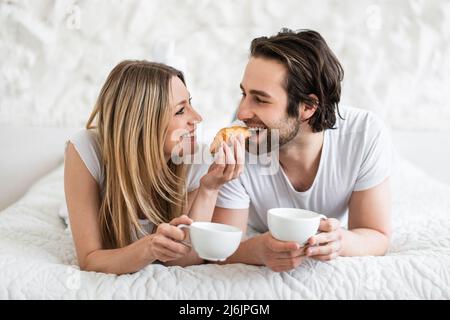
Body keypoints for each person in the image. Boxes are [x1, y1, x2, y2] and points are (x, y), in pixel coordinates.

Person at [212, 29, 393, 272]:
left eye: (260, 99)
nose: (242, 113)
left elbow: (376, 234)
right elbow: (222, 250)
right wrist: (257, 250)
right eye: (244, 94)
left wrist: (341, 241)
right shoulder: (236, 146)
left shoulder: (364, 134)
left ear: (308, 106)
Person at [64, 60, 245, 275]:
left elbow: (185, 260)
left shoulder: (198, 160)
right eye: (180, 111)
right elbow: (90, 260)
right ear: (142, 122)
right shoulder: (86, 149)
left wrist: (209, 189)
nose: (197, 118)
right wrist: (149, 247)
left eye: (191, 104)